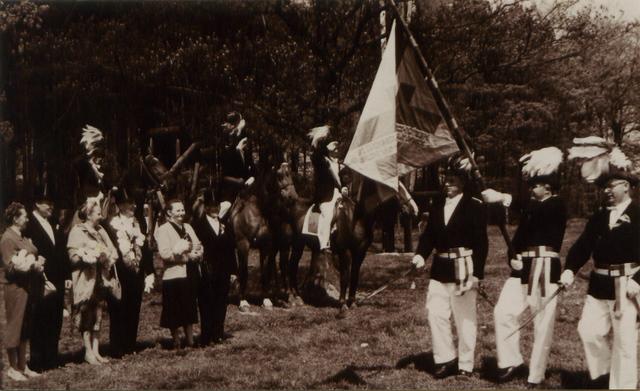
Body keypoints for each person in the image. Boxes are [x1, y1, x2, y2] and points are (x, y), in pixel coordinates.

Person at [560, 161, 640, 389]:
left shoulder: (639, 213)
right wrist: (569, 269)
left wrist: (638, 280)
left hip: (627, 287)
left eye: (611, 186)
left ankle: (623, 386)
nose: (606, 191)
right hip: (599, 286)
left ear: (626, 186)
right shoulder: (599, 216)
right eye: (604, 187)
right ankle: (604, 375)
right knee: (588, 331)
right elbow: (583, 246)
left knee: (625, 342)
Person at [492, 147, 566, 386]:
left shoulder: (556, 205)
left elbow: (534, 210)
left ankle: (536, 373)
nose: (532, 188)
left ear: (549, 187)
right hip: (522, 269)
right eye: (531, 185)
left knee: (542, 324)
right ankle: (510, 361)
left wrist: (505, 198)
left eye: (536, 185)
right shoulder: (531, 208)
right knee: (503, 312)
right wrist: (511, 258)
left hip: (545, 268)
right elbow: (518, 240)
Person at [410, 157, 488, 378]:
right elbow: (429, 237)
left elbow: (482, 243)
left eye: (453, 180)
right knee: (436, 313)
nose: (448, 184)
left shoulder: (475, 206)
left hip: (464, 268)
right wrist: (419, 256)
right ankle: (445, 358)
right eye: (446, 180)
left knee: (464, 318)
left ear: (463, 182)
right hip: (440, 269)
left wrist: (477, 274)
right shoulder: (437, 205)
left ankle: (465, 363)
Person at [67, 197, 119, 365]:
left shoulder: (101, 230)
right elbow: (73, 257)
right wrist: (87, 255)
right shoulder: (77, 231)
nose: (100, 214)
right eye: (97, 211)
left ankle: (97, 351)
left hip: (101, 279)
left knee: (98, 314)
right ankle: (88, 352)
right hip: (86, 280)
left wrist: (107, 256)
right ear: (88, 214)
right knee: (85, 315)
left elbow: (113, 250)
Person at [25, 187, 71, 372]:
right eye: (47, 203)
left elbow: (61, 251)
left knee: (55, 318)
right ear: (37, 204)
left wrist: (67, 275)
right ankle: (37, 360)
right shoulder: (29, 225)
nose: (51, 206)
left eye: (52, 203)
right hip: (40, 279)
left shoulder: (52, 223)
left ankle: (52, 357)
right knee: (39, 319)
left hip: (58, 279)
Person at [106, 188, 155, 357]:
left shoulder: (138, 223)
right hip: (119, 273)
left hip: (136, 272)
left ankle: (130, 344)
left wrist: (150, 272)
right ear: (119, 206)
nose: (133, 206)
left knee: (134, 308)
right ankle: (117, 346)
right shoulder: (110, 225)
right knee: (118, 308)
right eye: (128, 204)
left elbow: (146, 248)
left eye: (133, 203)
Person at [0, 202, 45, 381]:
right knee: (15, 325)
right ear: (15, 218)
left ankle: (22, 365)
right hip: (16, 288)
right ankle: (12, 367)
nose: (27, 218)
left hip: (28, 286)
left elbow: (32, 252)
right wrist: (32, 264)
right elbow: (10, 267)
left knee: (26, 325)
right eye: (24, 216)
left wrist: (37, 261)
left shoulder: (22, 236)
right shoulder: (7, 239)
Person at [154, 198, 203, 349]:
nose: (182, 213)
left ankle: (190, 340)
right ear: (169, 213)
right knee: (174, 310)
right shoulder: (163, 230)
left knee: (189, 307)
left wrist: (199, 253)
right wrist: (187, 257)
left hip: (190, 273)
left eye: (183, 210)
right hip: (173, 275)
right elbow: (166, 254)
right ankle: (176, 340)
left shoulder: (188, 227)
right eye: (178, 210)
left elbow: (198, 244)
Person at [192, 189, 238, 345]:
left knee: (221, 302)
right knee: (206, 302)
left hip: (224, 270)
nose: (214, 210)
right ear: (205, 208)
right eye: (211, 207)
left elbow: (232, 249)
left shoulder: (226, 225)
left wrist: (233, 271)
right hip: (206, 270)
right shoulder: (197, 225)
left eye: (217, 207)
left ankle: (218, 334)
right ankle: (206, 336)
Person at [308, 125, 345, 253]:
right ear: (329, 150)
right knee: (328, 215)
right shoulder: (321, 160)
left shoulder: (339, 164)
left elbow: (342, 180)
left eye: (337, 149)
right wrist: (318, 138)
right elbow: (315, 152)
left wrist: (344, 188)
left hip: (338, 193)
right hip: (325, 195)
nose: (337, 151)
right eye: (334, 149)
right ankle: (324, 245)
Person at [219, 112, 255, 220]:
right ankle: (220, 225)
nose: (225, 126)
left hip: (247, 187)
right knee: (225, 207)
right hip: (229, 188)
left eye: (228, 124)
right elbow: (224, 175)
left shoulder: (244, 143)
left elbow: (251, 167)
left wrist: (252, 177)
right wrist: (237, 150)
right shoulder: (226, 142)